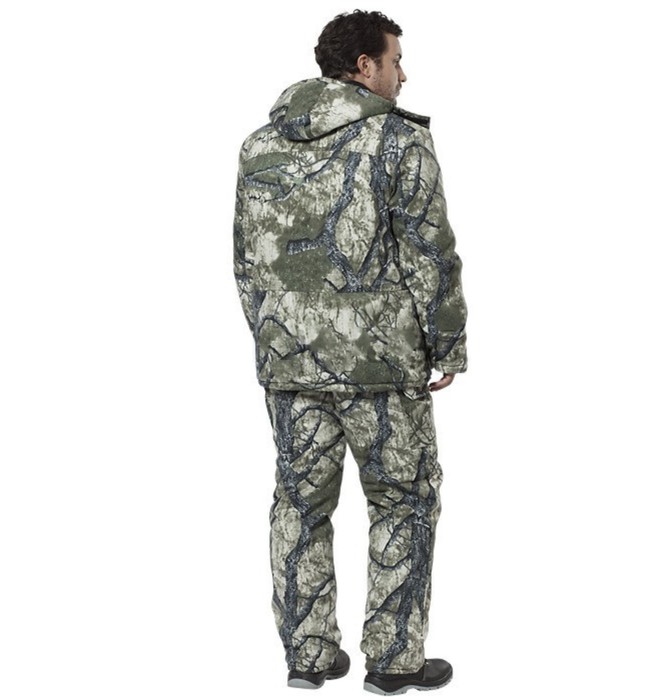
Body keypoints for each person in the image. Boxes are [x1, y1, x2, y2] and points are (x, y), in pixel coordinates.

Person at [232, 9, 468, 695]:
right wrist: (447, 342)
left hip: (289, 362)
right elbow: (429, 252)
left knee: (298, 506)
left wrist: (276, 339)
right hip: (380, 366)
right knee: (403, 501)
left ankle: (308, 657)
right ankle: (393, 662)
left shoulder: (258, 146)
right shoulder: (397, 140)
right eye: (395, 60)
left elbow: (247, 260)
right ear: (363, 66)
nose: (403, 74)